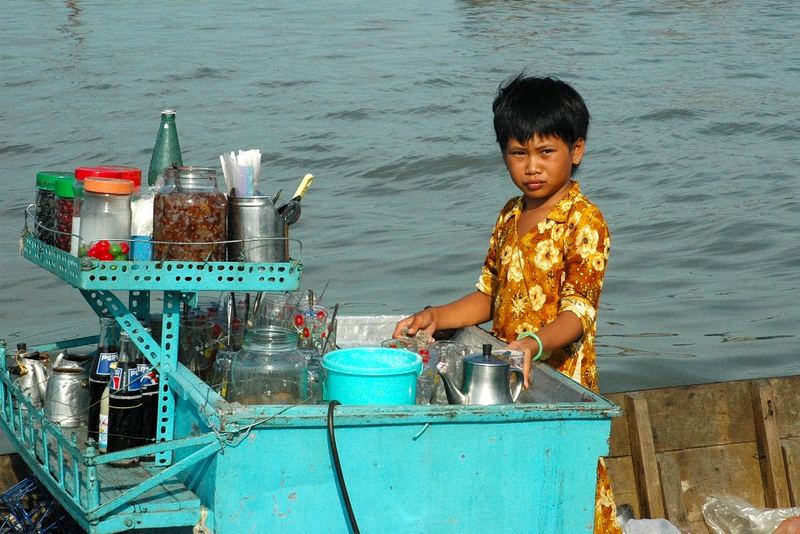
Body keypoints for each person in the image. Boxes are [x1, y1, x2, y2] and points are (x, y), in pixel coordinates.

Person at [393, 74, 619, 533]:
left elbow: (578, 314)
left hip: (559, 382)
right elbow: (487, 296)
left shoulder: (585, 221)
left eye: (545, 152)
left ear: (576, 151)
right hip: (507, 375)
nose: (531, 167)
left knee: (570, 488)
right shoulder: (509, 214)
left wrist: (532, 344)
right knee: (513, 480)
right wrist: (436, 317)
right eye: (519, 154)